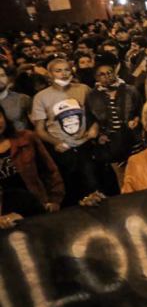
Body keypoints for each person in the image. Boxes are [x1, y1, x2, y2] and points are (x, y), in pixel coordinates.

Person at [31, 57, 103, 206]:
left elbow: (96, 114)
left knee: (93, 186)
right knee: (71, 191)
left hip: (85, 146)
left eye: (66, 70)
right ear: (50, 74)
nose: (63, 74)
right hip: (62, 150)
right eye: (58, 71)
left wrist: (94, 127)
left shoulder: (83, 89)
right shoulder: (41, 97)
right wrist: (56, 142)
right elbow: (40, 130)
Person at [85, 54, 143, 189]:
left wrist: (136, 120)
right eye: (102, 74)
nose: (107, 76)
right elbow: (91, 119)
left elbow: (140, 110)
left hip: (132, 139)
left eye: (109, 73)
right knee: (122, 177)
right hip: (111, 144)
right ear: (96, 78)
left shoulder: (130, 90)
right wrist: (99, 135)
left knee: (139, 172)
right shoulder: (92, 96)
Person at [0, 104, 63, 222]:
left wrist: (55, 200)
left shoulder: (26, 137)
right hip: (4, 216)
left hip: (35, 206)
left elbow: (50, 170)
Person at [0, 64, 32, 132]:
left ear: (7, 78)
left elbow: (36, 126)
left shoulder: (22, 99)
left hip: (22, 140)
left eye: (2, 75)